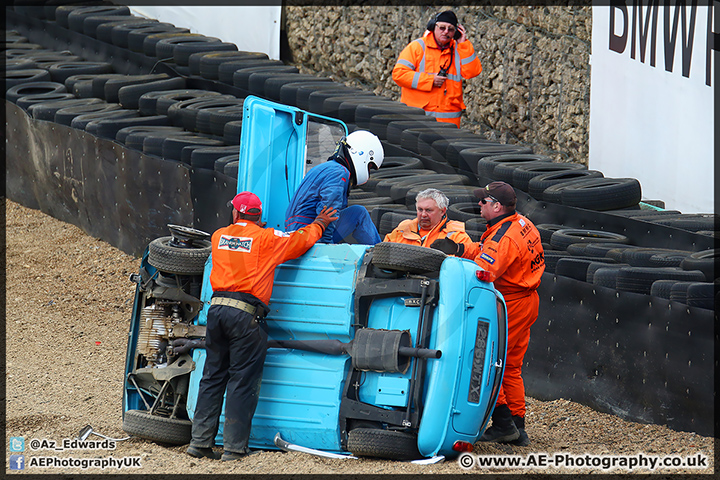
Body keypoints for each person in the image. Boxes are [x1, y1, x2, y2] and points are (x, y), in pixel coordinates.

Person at [187, 192, 338, 461]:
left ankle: (199, 443)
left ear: (235, 213)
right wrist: (320, 223)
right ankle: (233, 449)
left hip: (217, 310)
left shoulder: (218, 236)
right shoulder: (267, 239)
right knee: (242, 381)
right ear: (259, 217)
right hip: (245, 315)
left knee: (212, 377)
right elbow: (300, 240)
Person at [437, 181, 544, 446]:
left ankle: (505, 424)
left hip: (510, 304)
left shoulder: (503, 237)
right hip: (527, 299)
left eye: (483, 202)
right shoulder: (521, 223)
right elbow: (489, 252)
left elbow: (483, 273)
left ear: (497, 206)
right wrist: (461, 250)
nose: (479, 205)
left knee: (488, 362)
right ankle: (518, 427)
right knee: (510, 366)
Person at [285, 130, 384, 245]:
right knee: (359, 213)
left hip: (298, 230)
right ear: (363, 155)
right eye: (369, 167)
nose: (368, 172)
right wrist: (327, 245)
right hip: (307, 232)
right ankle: (378, 255)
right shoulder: (339, 172)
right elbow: (328, 211)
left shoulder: (326, 167)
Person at [392, 10, 482, 127]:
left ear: (456, 32)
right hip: (417, 119)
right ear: (433, 27)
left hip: (448, 123)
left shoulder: (460, 49)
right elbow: (398, 74)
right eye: (442, 28)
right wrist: (430, 80)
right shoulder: (417, 47)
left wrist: (463, 44)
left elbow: (473, 72)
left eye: (450, 29)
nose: (446, 32)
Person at [384, 188, 478, 258]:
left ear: (442, 211)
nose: (423, 214)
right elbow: (382, 255)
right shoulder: (401, 230)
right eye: (420, 210)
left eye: (429, 210)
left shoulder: (457, 236)